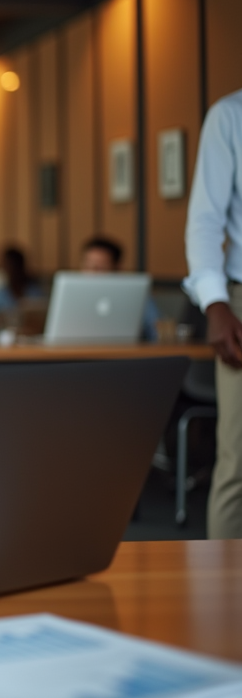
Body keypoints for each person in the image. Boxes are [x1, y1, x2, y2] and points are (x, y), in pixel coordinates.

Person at [184, 87, 242, 540]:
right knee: (238, 460)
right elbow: (205, 220)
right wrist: (216, 304)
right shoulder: (230, 115)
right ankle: (222, 599)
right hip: (239, 303)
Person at [80, 236, 160, 341]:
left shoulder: (135, 295)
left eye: (100, 268)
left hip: (126, 354)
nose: (93, 273)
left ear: (117, 268)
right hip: (76, 354)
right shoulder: (68, 296)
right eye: (88, 267)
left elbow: (157, 332)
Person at [0, 246, 44, 314]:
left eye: (14, 267)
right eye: (7, 267)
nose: (11, 271)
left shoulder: (35, 294)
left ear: (21, 267)